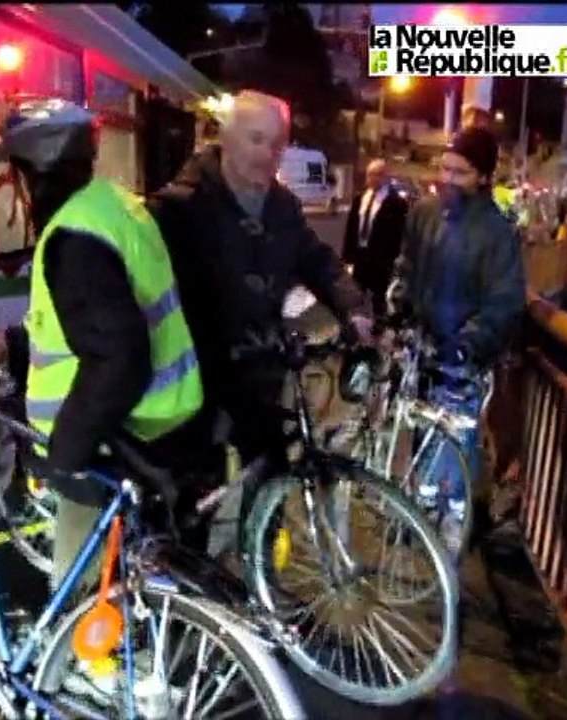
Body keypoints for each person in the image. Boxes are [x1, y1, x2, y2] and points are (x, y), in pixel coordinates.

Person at [0, 100, 213, 589]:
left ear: (35, 172)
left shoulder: (74, 239)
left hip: (121, 434)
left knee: (78, 590)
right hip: (165, 420)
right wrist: (16, 342)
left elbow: (117, 355)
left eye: (17, 172)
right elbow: (89, 319)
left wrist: (67, 450)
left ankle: (86, 638)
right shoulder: (112, 205)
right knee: (140, 574)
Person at [147, 89, 370, 467]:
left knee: (269, 476)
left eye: (277, 145)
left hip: (262, 376)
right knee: (199, 487)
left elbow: (318, 260)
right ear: (226, 138)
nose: (268, 153)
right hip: (196, 383)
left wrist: (354, 309)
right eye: (256, 139)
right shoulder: (179, 208)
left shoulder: (283, 206)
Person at [387, 125, 526, 556]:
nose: (447, 179)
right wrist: (398, 300)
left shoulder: (497, 232)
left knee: (457, 446)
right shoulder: (424, 213)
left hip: (463, 359)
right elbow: (407, 266)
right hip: (423, 349)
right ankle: (421, 513)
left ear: (483, 176)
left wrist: (469, 342)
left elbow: (504, 301)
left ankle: (452, 523)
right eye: (445, 168)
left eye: (460, 172)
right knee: (422, 437)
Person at [341, 159, 408, 317]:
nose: (373, 178)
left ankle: (379, 323)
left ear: (385, 176)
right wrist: (347, 255)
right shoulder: (360, 199)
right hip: (361, 256)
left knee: (379, 297)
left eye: (377, 175)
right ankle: (356, 322)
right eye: (370, 174)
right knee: (356, 294)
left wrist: (394, 258)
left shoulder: (396, 203)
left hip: (381, 259)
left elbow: (399, 233)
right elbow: (352, 227)